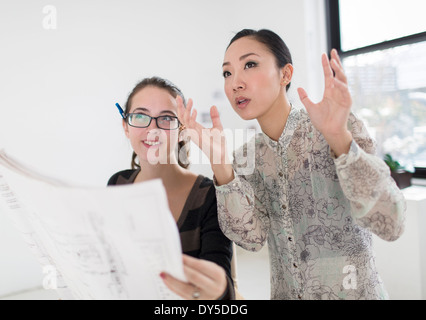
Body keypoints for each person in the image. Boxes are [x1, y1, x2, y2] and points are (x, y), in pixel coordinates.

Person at [177, 29, 406, 300]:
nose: (235, 83)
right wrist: (222, 168)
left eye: (250, 65)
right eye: (227, 73)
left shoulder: (336, 127)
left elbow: (392, 224)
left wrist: (341, 141)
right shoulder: (245, 158)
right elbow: (251, 239)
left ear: (285, 74)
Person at [107, 76, 235, 300]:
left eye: (166, 118)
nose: (152, 128)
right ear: (126, 127)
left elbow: (224, 294)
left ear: (182, 130)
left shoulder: (208, 197)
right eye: (140, 116)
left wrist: (215, 290)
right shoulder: (117, 184)